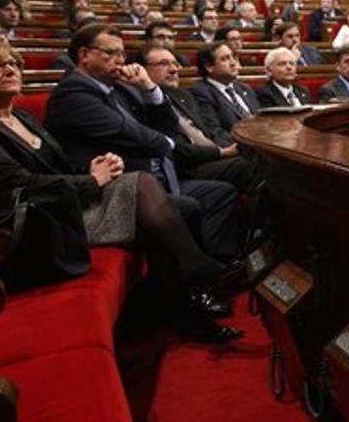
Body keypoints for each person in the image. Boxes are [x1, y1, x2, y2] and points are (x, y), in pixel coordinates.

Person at [0, 37, 243, 342]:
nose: (10, 70)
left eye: (13, 63)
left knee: (177, 206)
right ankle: (196, 278)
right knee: (151, 192)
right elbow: (21, 184)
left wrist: (96, 167)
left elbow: (60, 166)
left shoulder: (22, 117)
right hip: (32, 224)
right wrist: (92, 181)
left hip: (61, 203)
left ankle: (182, 302)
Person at [44, 25, 242, 263]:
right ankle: (197, 274)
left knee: (220, 194)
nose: (119, 60)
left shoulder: (119, 87)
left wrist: (149, 88)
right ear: (84, 55)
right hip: (114, 188)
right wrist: (171, 145)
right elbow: (130, 133)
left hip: (155, 174)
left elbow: (166, 126)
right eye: (110, 53)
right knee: (187, 206)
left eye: (122, 54)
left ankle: (220, 261)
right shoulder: (73, 92)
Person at [137, 44, 260, 196]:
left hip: (212, 154)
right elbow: (175, 147)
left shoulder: (182, 95)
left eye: (175, 63)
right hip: (188, 165)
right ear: (141, 70)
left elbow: (207, 131)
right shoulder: (142, 102)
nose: (174, 69)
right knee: (253, 165)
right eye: (163, 64)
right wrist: (221, 152)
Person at [190, 43, 262, 144]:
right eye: (225, 59)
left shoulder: (244, 88)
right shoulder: (201, 92)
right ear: (209, 67)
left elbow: (261, 120)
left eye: (233, 57)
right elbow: (214, 131)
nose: (233, 63)